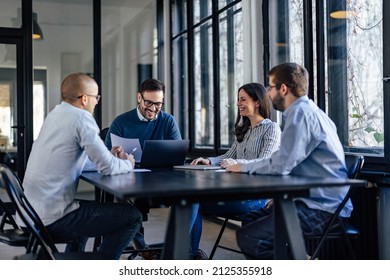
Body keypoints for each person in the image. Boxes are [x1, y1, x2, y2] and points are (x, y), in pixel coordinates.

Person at [226, 62, 351, 259]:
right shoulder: (309, 112)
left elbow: (281, 164)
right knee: (251, 219)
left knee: (249, 237)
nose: (267, 93)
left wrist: (243, 167)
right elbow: (293, 163)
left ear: (283, 89)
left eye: (270, 87)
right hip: (312, 201)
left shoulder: (301, 115)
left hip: (323, 209)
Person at [19, 73, 142, 260]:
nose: (96, 102)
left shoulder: (55, 115)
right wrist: (128, 163)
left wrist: (107, 156)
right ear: (85, 98)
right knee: (132, 216)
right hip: (52, 217)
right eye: (96, 97)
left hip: (31, 212)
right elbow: (107, 168)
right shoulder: (81, 118)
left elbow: (78, 160)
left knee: (90, 213)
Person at [105, 78, 202, 259]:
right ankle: (143, 249)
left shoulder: (168, 121)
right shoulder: (121, 122)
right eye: (148, 102)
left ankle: (183, 253)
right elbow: (105, 156)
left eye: (158, 103)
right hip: (129, 179)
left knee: (192, 198)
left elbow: (177, 152)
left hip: (164, 178)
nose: (153, 108)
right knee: (123, 203)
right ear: (139, 98)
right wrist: (115, 154)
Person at [190, 82, 281, 259]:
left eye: (243, 99)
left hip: (257, 198)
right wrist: (208, 160)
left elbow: (265, 161)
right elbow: (227, 155)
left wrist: (237, 162)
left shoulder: (272, 128)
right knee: (192, 203)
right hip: (235, 193)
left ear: (257, 102)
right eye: (238, 99)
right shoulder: (244, 130)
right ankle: (189, 256)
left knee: (195, 203)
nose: (238, 103)